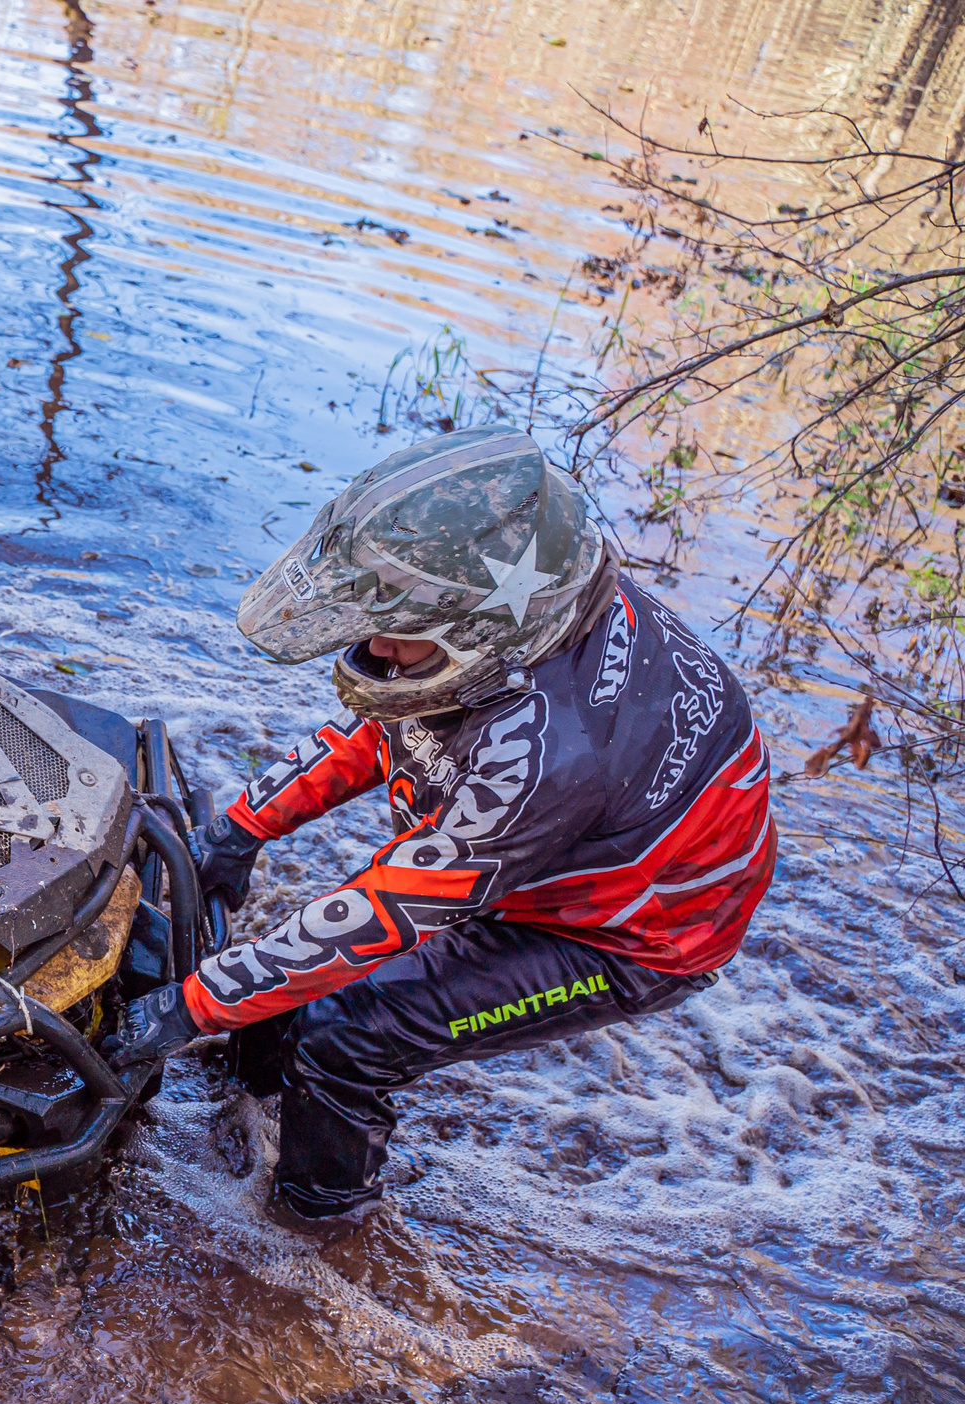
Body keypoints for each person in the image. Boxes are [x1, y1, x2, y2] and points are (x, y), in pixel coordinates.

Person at [114, 428, 775, 1226]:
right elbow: (395, 724)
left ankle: (310, 1234)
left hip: (632, 929)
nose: (377, 647)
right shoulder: (507, 626)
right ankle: (248, 1102)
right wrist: (241, 830)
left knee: (352, 1026)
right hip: (568, 839)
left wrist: (185, 1007)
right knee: (296, 975)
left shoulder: (550, 753)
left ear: (481, 635)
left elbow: (395, 907)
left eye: (401, 634)